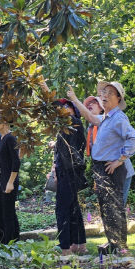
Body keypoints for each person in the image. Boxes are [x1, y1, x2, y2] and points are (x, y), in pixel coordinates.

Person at [69, 82, 135, 255]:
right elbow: (90, 117)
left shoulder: (118, 118)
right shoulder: (106, 117)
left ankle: (121, 247)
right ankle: (113, 243)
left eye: (110, 93)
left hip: (111, 168)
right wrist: (74, 99)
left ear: (118, 98)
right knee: (106, 208)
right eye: (103, 92)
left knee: (114, 208)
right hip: (101, 168)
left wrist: (120, 159)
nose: (105, 95)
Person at [80, 94, 135, 205]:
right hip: (104, 172)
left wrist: (120, 160)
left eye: (94, 102)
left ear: (101, 106)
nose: (90, 105)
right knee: (108, 208)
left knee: (118, 206)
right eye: (88, 104)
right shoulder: (90, 128)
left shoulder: (109, 121)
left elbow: (132, 140)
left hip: (120, 170)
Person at [49, 99, 87, 255]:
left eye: (66, 106)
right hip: (71, 172)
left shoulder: (72, 122)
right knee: (73, 208)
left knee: (63, 209)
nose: (62, 109)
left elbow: (67, 153)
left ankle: (65, 248)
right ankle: (78, 244)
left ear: (72, 109)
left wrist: (57, 171)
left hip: (67, 172)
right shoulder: (69, 125)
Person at [0, 121, 21, 244]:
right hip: (3, 180)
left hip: (10, 181)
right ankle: (15, 242)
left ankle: (9, 245)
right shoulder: (2, 138)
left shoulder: (11, 138)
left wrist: (11, 182)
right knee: (9, 213)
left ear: (5, 123)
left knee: (8, 215)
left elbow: (16, 162)